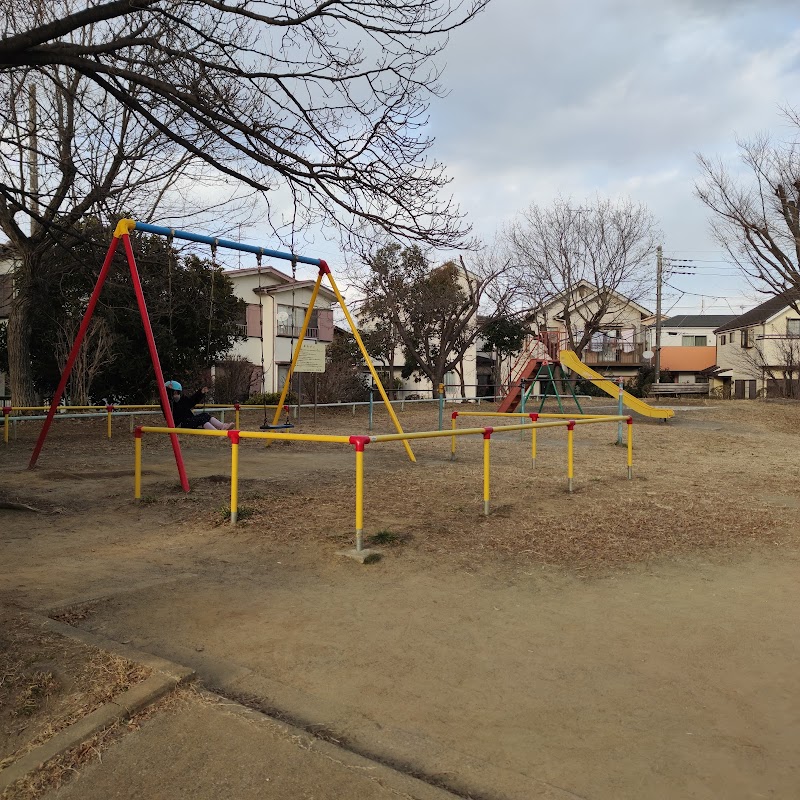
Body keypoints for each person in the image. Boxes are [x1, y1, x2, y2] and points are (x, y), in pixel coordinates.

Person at [164, 380, 234, 430]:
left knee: (205, 415)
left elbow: (191, 401)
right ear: (170, 393)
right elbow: (167, 406)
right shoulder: (167, 402)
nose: (177, 395)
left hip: (187, 420)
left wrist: (201, 392)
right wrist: (170, 396)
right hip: (180, 424)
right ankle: (216, 433)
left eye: (178, 393)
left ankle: (222, 426)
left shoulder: (182, 400)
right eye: (175, 393)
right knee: (201, 419)